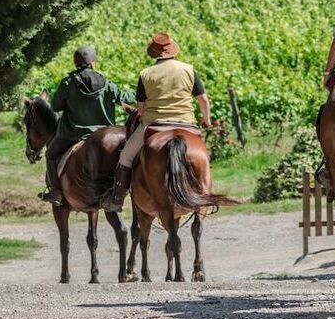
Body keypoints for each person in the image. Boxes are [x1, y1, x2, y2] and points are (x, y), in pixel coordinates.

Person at [104, 33, 211, 212]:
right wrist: (206, 119)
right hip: (186, 122)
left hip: (154, 124)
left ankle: (117, 199)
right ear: (173, 50)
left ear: (153, 54)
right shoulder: (188, 69)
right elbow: (203, 100)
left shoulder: (146, 74)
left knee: (126, 157)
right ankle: (206, 193)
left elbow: (141, 108)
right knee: (204, 157)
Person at [42, 46, 135, 206]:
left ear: (76, 63)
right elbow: (124, 97)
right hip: (102, 133)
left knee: (50, 154)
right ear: (92, 63)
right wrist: (142, 92)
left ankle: (56, 192)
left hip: (73, 134)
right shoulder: (106, 83)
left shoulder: (67, 83)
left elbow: (55, 106)